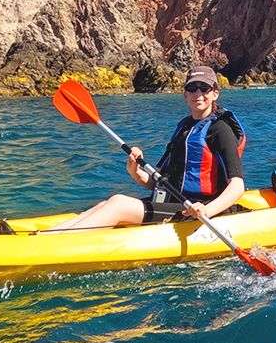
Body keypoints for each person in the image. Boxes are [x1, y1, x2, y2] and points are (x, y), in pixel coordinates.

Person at [48, 65, 247, 231]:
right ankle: (46, 237)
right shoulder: (184, 127)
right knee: (104, 204)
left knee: (118, 203)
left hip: (195, 209)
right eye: (192, 88)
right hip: (172, 203)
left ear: (215, 93)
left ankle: (53, 245)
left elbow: (237, 186)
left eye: (204, 88)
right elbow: (155, 183)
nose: (198, 94)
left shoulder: (220, 130)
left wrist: (207, 210)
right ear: (185, 94)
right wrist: (134, 170)